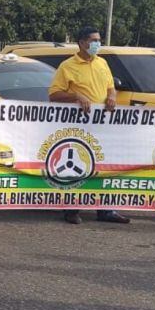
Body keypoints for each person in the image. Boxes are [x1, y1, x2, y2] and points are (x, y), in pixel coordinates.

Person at [49, 27, 130, 225]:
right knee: (79, 164)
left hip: (103, 125)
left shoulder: (102, 63)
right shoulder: (67, 66)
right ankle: (72, 209)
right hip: (80, 125)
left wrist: (111, 96)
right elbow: (54, 95)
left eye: (99, 40)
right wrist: (76, 95)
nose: (97, 44)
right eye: (94, 40)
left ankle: (107, 210)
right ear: (82, 42)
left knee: (107, 164)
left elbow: (110, 86)